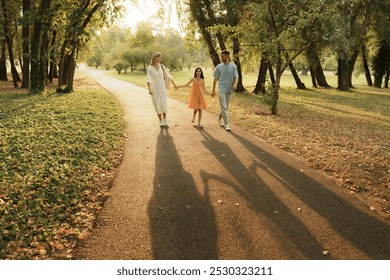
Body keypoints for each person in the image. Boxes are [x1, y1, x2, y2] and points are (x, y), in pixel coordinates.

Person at [146, 52, 178, 127]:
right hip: (155, 90)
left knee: (164, 104)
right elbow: (149, 79)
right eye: (159, 57)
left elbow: (168, 76)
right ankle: (160, 121)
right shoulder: (150, 68)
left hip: (162, 89)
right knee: (157, 104)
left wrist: (174, 84)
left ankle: (165, 120)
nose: (161, 59)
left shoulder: (162, 67)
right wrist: (150, 89)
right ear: (155, 58)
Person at [211, 50, 239, 131]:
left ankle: (219, 117)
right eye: (221, 56)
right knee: (223, 107)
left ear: (227, 56)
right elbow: (215, 79)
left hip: (229, 89)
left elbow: (236, 77)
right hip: (221, 89)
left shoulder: (234, 66)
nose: (221, 57)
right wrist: (213, 91)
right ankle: (227, 124)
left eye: (222, 56)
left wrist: (235, 84)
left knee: (225, 107)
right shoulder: (219, 67)